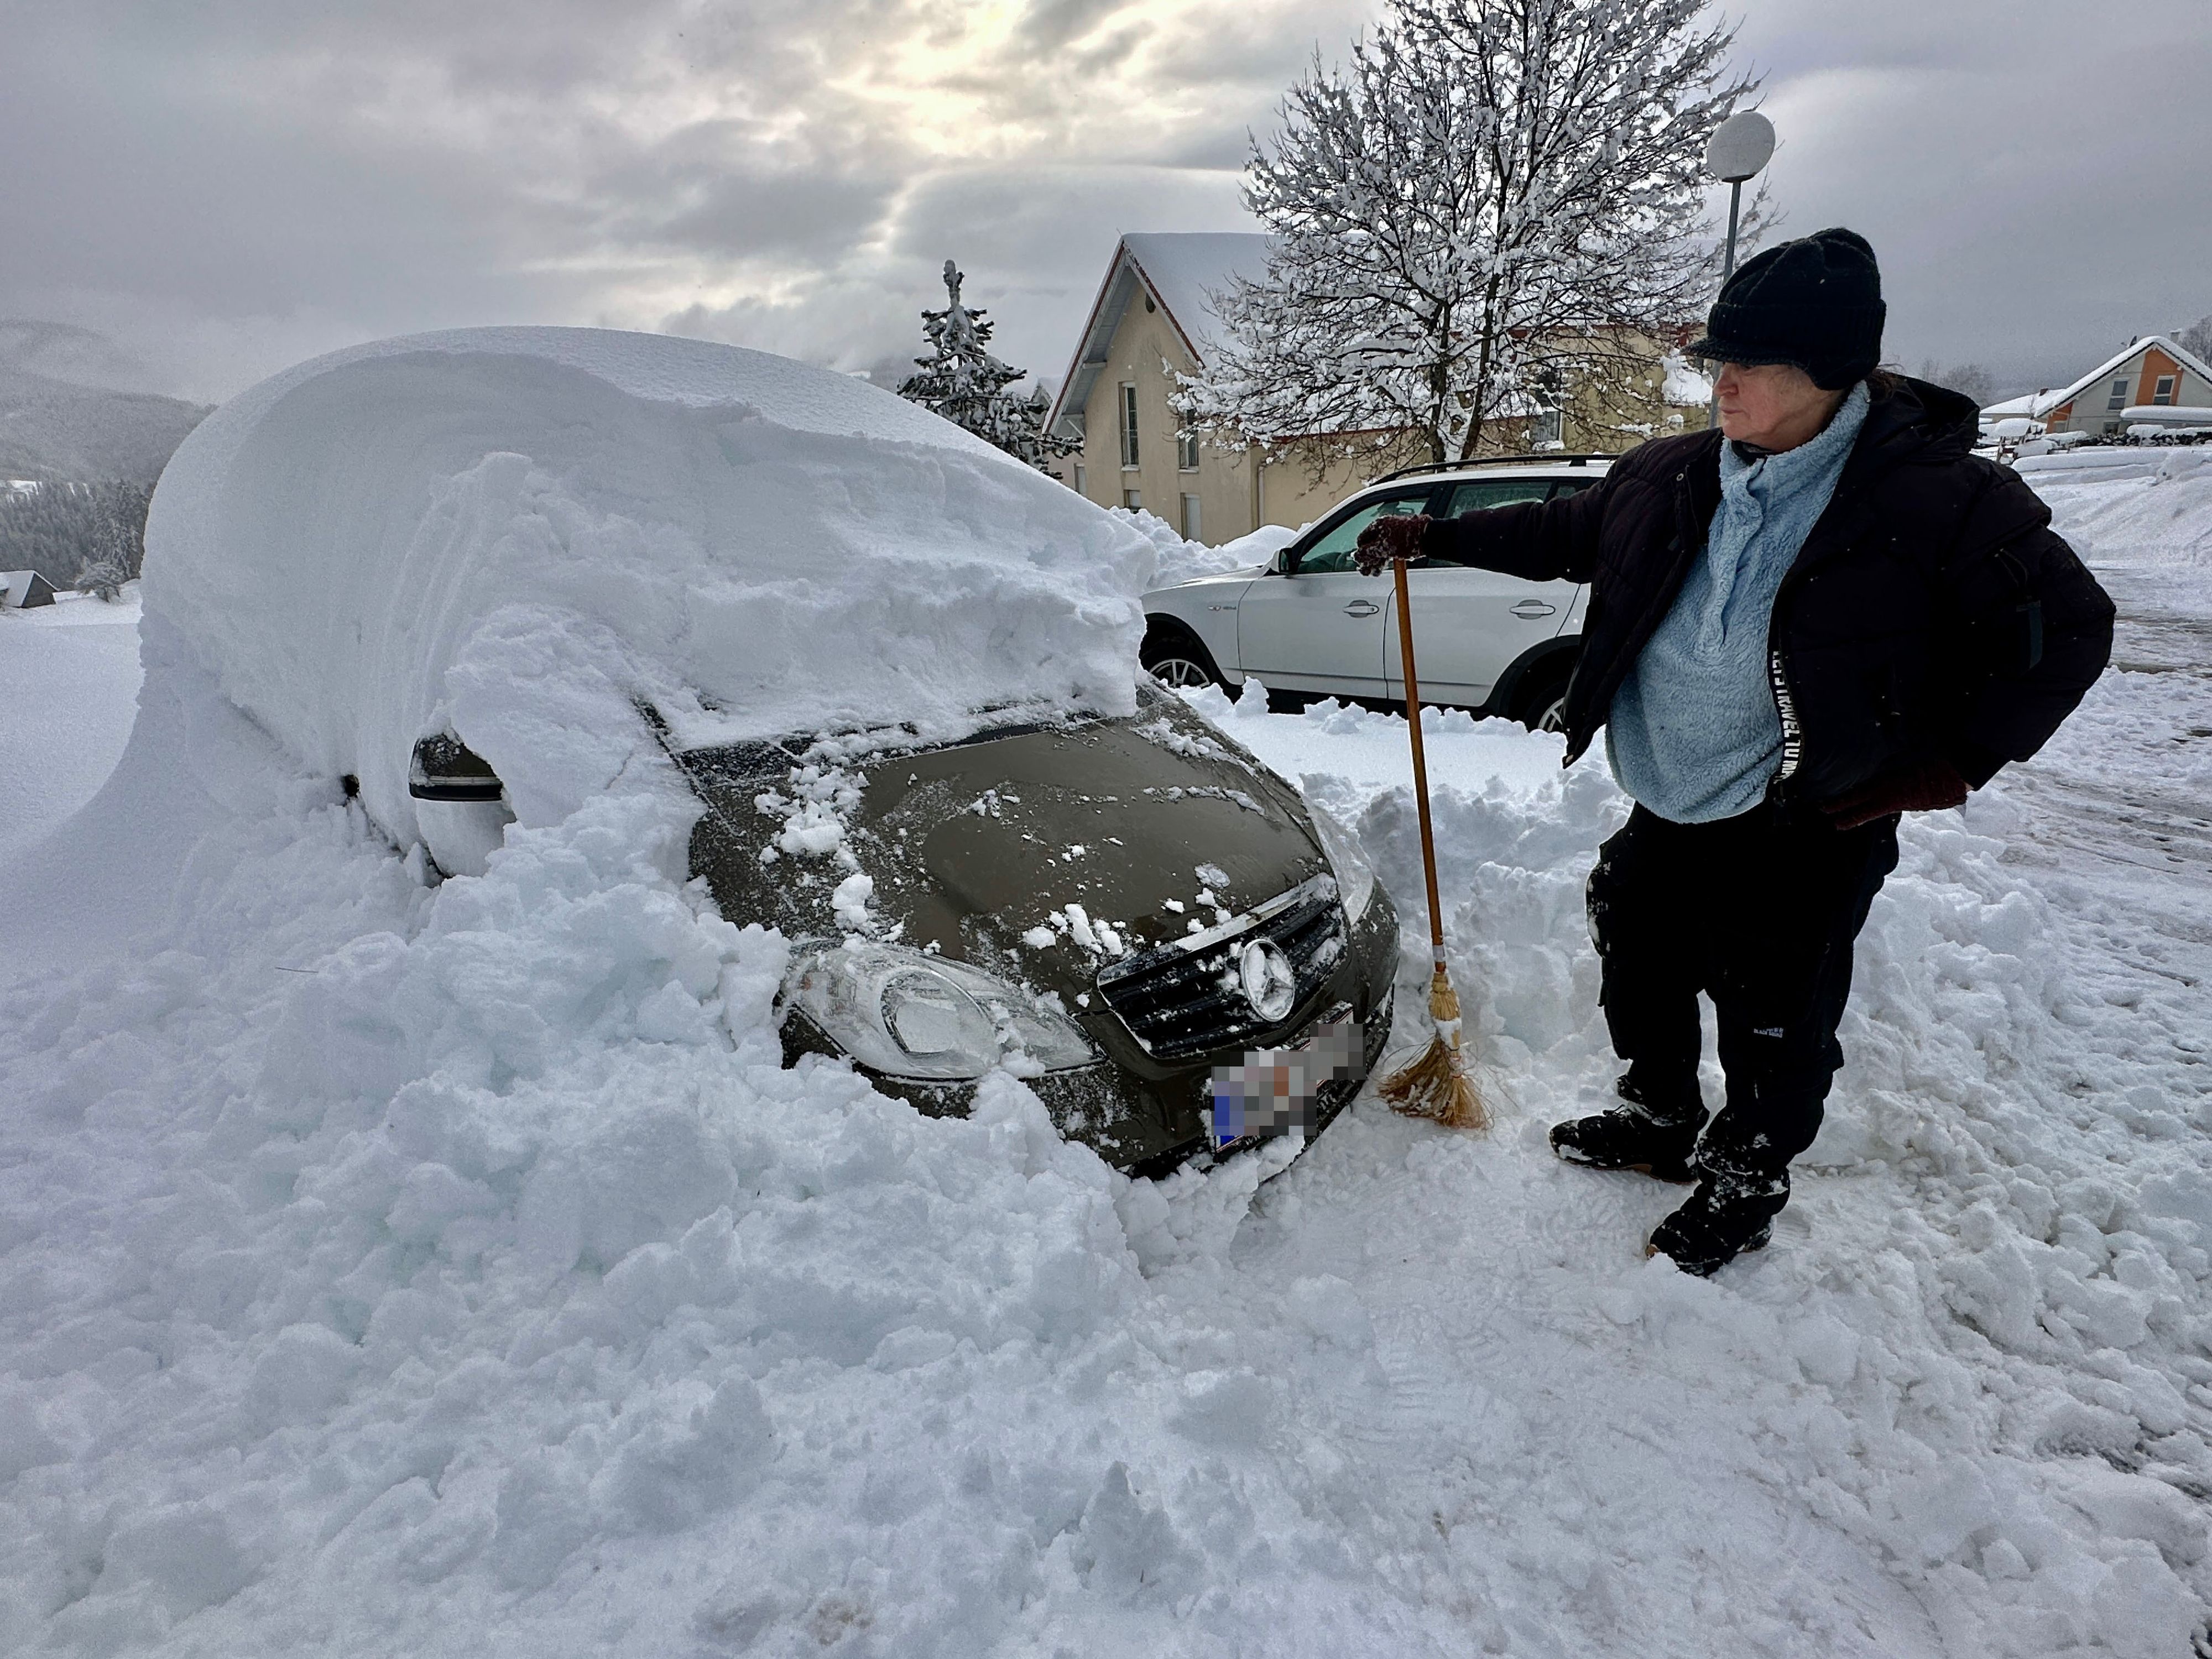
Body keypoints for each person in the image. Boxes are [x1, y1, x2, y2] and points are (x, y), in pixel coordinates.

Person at [1354, 228, 2114, 1275]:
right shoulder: (1669, 475)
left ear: (1830, 371)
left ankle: (1747, 1178)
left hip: (1807, 813)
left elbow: (2068, 630)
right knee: (1639, 950)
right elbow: (1563, 532)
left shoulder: (1940, 500)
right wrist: (1434, 535)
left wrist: (1958, 760)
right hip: (1669, 791)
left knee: (1775, 1013)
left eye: (1750, 363)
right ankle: (1660, 1116)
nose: (1723, 382)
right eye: (1719, 359)